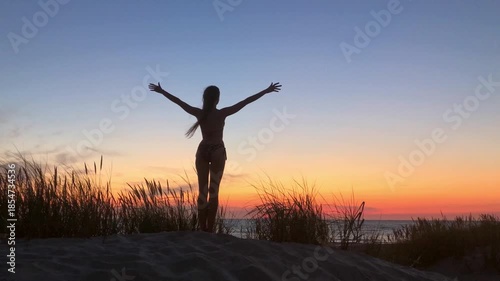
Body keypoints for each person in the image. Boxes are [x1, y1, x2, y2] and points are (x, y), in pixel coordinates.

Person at [149, 82, 282, 232]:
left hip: (203, 150)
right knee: (213, 192)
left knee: (202, 191)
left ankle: (202, 227)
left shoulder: (199, 113)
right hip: (217, 150)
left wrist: (162, 91)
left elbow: (179, 102)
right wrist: (266, 90)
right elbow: (245, 102)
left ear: (204, 98)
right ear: (217, 99)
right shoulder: (222, 113)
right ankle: (209, 229)